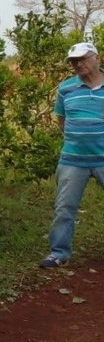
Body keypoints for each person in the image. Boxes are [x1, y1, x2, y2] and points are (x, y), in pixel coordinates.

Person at [38, 42, 104, 268]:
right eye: (74, 61)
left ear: (97, 58)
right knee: (64, 207)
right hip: (73, 160)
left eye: (83, 58)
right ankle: (59, 253)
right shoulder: (66, 88)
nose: (78, 64)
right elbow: (62, 122)